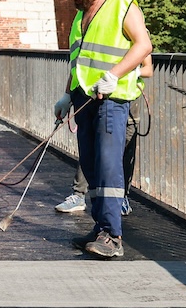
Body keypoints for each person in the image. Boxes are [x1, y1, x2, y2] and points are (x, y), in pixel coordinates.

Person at [53, 0, 152, 259]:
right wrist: (67, 95)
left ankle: (113, 235)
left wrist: (114, 75)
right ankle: (99, 228)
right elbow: (79, 61)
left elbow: (143, 46)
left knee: (109, 166)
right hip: (84, 100)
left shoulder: (121, 3)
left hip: (112, 99)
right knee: (92, 165)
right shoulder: (80, 17)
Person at [56, 53, 152, 216]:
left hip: (126, 102)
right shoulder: (92, 32)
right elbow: (77, 69)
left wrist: (125, 72)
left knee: (122, 153)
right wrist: (68, 96)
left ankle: (121, 198)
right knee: (91, 149)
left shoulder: (138, 33)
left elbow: (148, 69)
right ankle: (79, 195)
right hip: (97, 100)